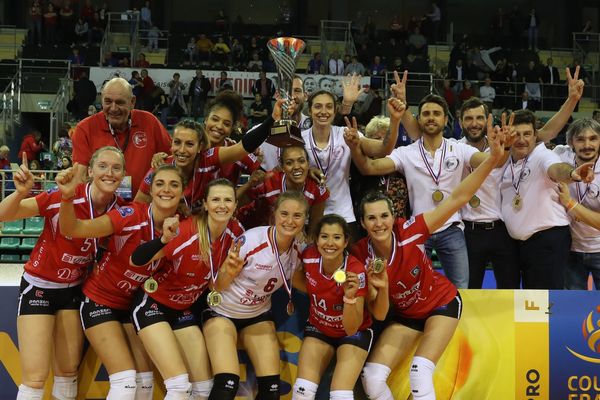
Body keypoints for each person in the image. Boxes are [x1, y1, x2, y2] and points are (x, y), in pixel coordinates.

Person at [353, 125, 508, 400]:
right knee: (372, 377)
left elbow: (458, 197)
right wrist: (382, 287)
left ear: (394, 216)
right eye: (371, 218)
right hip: (406, 316)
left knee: (419, 370)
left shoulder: (413, 230)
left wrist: (493, 159)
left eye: (384, 216)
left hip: (441, 304)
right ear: (363, 223)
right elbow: (379, 315)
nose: (379, 224)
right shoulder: (359, 255)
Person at [0, 148, 125, 400]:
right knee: (34, 378)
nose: (109, 173)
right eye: (102, 166)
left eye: (116, 168)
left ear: (123, 175)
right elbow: (3, 215)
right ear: (90, 171)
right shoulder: (63, 196)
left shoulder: (120, 210)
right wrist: (21, 193)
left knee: (68, 374)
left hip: (73, 291)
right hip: (39, 287)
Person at [57, 164, 188, 399]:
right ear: (151, 188)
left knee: (145, 383)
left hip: (132, 308)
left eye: (174, 184)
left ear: (183, 191)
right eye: (159, 183)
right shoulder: (130, 215)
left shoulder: (184, 227)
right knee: (126, 383)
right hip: (100, 302)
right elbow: (72, 228)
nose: (166, 190)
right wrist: (67, 198)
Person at [129, 179, 244, 399]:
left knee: (203, 389)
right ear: (206, 204)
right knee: (179, 385)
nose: (222, 205)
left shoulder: (236, 233)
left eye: (228, 200)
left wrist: (229, 272)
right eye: (216, 199)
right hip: (153, 305)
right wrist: (163, 239)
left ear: (235, 205)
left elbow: (214, 286)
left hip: (183, 310)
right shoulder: (187, 231)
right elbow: (137, 260)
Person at [203, 191, 307, 400]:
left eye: (297, 216)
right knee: (226, 385)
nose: (289, 221)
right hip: (222, 312)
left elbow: (301, 283)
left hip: (258, 316)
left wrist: (334, 287)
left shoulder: (298, 250)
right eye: (284, 214)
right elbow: (215, 287)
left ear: (305, 219)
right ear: (274, 215)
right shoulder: (251, 241)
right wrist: (228, 273)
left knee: (271, 391)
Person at [290, 214, 384, 400]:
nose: (330, 243)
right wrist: (319, 292)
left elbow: (351, 328)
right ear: (316, 239)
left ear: (346, 241)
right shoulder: (308, 257)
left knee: (340, 395)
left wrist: (349, 298)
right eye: (324, 236)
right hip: (319, 327)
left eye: (337, 237)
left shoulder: (355, 272)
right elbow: (297, 279)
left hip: (354, 332)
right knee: (302, 391)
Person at [500, 110, 594, 289]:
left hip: (547, 239)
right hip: (521, 244)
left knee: (546, 303)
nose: (521, 139)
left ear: (536, 135)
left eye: (527, 134)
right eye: (516, 134)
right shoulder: (506, 158)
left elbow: (556, 169)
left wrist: (573, 174)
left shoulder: (542, 155)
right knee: (530, 303)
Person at [138, 98, 285, 209]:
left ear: (200, 147)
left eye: (190, 144)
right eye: (177, 143)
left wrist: (271, 120)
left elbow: (244, 148)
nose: (182, 150)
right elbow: (138, 205)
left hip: (209, 221)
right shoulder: (161, 166)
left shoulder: (209, 157)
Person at [302, 89, 399, 240]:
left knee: (348, 263)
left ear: (335, 111)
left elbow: (383, 149)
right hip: (308, 215)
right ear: (309, 110)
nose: (323, 111)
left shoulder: (346, 134)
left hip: (343, 213)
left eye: (328, 107)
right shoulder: (300, 139)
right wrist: (306, 169)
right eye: (318, 106)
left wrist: (395, 120)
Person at [71, 77, 172, 199]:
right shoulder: (85, 128)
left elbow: (171, 159)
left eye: (120, 102)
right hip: (102, 210)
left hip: (143, 209)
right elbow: (80, 177)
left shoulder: (149, 122)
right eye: (108, 102)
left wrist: (161, 158)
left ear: (132, 102)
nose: (113, 108)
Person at [236, 145, 328, 234]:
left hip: (288, 233)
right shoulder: (268, 181)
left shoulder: (316, 186)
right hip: (253, 231)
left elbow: (312, 233)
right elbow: (236, 203)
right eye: (289, 163)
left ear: (308, 163)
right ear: (282, 166)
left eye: (301, 161)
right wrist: (249, 184)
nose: (296, 167)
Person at [553, 118, 600, 290]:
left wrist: (571, 204)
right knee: (573, 308)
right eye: (580, 139)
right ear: (571, 142)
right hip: (570, 250)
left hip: (599, 248)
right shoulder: (560, 154)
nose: (587, 144)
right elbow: (539, 139)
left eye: (593, 138)